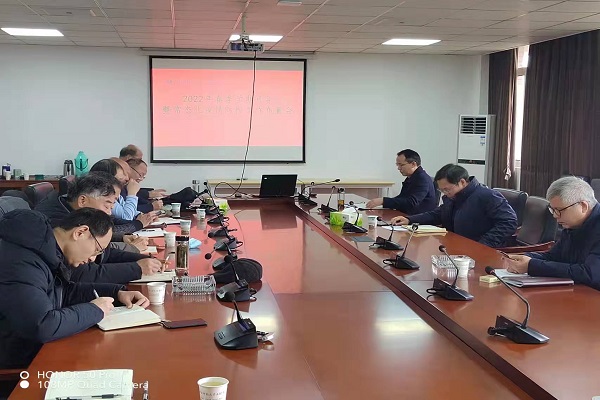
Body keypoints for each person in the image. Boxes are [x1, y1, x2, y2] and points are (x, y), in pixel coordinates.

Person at [0, 208, 149, 371]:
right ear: (80, 232)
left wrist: (116, 293)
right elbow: (41, 325)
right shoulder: (22, 262)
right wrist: (95, 310)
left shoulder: (47, 250)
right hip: (19, 358)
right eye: (97, 249)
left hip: (38, 348)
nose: (93, 258)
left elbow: (62, 293)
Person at [35, 173, 163, 283]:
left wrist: (145, 260)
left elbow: (105, 253)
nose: (109, 213)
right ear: (83, 201)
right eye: (107, 206)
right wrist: (136, 269)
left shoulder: (73, 210)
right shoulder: (57, 222)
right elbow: (80, 273)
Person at [505, 176, 600, 290]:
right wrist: (526, 258)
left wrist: (531, 265)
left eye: (559, 210)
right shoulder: (572, 225)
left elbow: (590, 273)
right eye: (553, 210)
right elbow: (553, 256)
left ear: (583, 206)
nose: (555, 215)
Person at [391, 164, 517, 248]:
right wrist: (409, 219)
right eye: (442, 190)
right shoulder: (455, 196)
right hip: (456, 246)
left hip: (480, 249)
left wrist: (483, 244)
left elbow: (509, 222)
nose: (445, 193)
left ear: (462, 182)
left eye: (447, 189)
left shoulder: (487, 195)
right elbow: (438, 214)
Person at [366, 149, 437, 214]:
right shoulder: (411, 177)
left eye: (401, 165)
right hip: (407, 215)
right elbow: (402, 198)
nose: (399, 168)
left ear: (413, 164)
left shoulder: (422, 179)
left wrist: (384, 201)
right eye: (397, 165)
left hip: (418, 219)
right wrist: (382, 202)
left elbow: (411, 202)